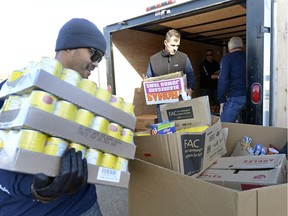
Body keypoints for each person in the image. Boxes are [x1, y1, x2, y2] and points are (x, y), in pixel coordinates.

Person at [0, 18, 105, 216]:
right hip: (28, 210)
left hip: (84, 206)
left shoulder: (90, 98)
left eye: (101, 58)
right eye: (95, 53)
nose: (96, 63)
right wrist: (34, 188)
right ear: (69, 47)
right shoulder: (17, 87)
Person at [146, 29, 196, 122]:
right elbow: (148, 78)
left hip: (179, 102)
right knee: (164, 129)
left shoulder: (183, 57)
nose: (175, 48)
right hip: (161, 104)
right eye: (172, 45)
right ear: (165, 42)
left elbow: (191, 75)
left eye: (177, 46)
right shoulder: (154, 59)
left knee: (180, 128)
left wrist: (190, 88)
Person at [217, 36, 246, 123]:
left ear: (229, 48)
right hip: (251, 97)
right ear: (242, 46)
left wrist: (221, 100)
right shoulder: (249, 56)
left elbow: (223, 80)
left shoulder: (227, 58)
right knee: (247, 126)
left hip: (235, 97)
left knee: (224, 125)